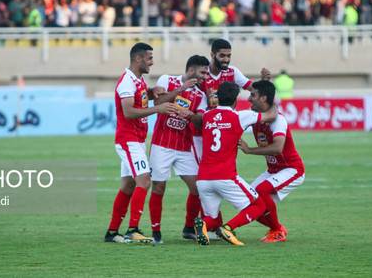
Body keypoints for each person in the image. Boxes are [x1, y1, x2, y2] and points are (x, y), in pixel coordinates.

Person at [104, 42, 180, 244]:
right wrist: (158, 109)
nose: (152, 62)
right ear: (138, 59)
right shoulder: (126, 82)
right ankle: (133, 229)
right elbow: (128, 112)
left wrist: (152, 90)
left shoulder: (137, 80)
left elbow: (140, 96)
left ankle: (112, 232)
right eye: (149, 58)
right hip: (128, 140)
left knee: (128, 186)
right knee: (144, 180)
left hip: (137, 140)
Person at [194, 82, 277, 246]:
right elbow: (271, 115)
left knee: (212, 218)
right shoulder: (240, 116)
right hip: (225, 176)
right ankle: (229, 228)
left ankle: (203, 224)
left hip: (203, 179)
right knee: (259, 205)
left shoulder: (207, 116)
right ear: (235, 100)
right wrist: (272, 99)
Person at [149, 55, 209, 244]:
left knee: (198, 188)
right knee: (159, 187)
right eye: (203, 72)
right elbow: (158, 104)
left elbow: (201, 122)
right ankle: (156, 231)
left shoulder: (201, 95)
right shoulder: (167, 80)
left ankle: (189, 227)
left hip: (184, 147)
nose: (206, 76)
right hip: (161, 145)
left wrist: (191, 115)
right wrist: (182, 89)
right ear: (191, 71)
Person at [239, 80, 305, 243]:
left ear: (263, 98)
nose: (249, 99)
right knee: (247, 201)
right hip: (274, 171)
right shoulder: (255, 117)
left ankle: (276, 230)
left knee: (261, 190)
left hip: (291, 169)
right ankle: (278, 228)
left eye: (253, 95)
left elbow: (277, 148)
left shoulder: (278, 120)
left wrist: (249, 150)